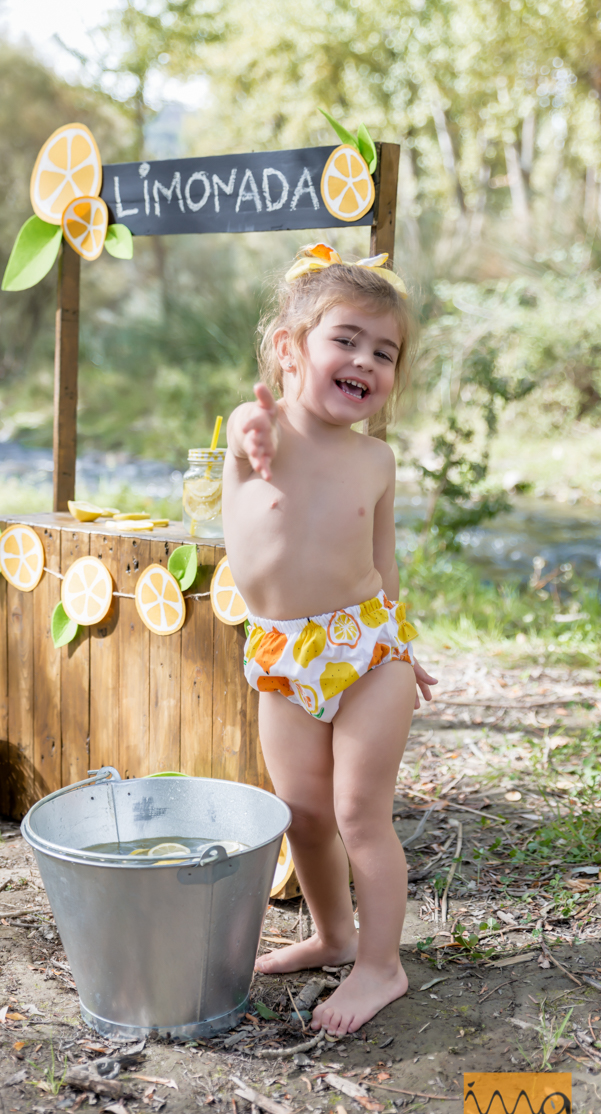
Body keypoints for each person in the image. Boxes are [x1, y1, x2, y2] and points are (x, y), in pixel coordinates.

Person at [222, 243, 437, 1035]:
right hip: (282, 651)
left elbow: (381, 567)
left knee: (356, 810)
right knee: (301, 810)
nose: (365, 361)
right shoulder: (261, 435)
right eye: (344, 339)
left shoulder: (375, 459)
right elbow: (249, 429)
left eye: (383, 352)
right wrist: (250, 426)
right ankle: (332, 934)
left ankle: (382, 964)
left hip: (366, 649)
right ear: (287, 349)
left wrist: (404, 648)